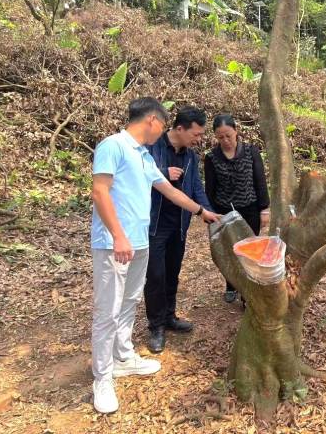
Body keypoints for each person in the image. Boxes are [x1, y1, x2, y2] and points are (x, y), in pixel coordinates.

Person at [90, 97, 218, 414]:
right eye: (161, 123)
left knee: (130, 300)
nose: (160, 130)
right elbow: (99, 191)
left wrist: (203, 211)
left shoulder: (144, 156)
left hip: (139, 242)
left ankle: (123, 356)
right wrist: (118, 236)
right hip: (113, 243)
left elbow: (171, 192)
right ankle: (102, 378)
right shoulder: (113, 145)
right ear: (152, 120)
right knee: (108, 309)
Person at [144, 106, 215, 353]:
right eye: (195, 134)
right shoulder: (152, 148)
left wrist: (207, 212)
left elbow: (196, 187)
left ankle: (170, 317)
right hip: (154, 225)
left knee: (172, 273)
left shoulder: (191, 158)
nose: (198, 139)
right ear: (180, 128)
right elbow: (137, 178)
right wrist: (164, 173)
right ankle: (156, 326)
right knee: (155, 276)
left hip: (179, 226)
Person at [204, 114, 270, 303]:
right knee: (231, 249)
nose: (225, 141)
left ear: (236, 131)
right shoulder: (211, 157)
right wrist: (211, 214)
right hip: (225, 212)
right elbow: (210, 188)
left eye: (228, 136)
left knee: (249, 250)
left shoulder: (251, 151)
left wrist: (264, 209)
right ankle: (231, 285)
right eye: (220, 137)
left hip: (250, 209)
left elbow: (260, 181)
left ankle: (248, 291)